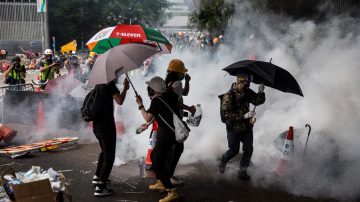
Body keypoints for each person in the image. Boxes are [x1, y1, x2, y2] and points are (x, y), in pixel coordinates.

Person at [135, 76, 179, 202]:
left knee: (157, 164)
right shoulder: (167, 97)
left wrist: (140, 104)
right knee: (155, 157)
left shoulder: (157, 100)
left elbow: (147, 117)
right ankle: (161, 182)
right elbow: (159, 115)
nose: (148, 89)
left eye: (149, 87)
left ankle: (172, 191)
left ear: (153, 89)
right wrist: (148, 125)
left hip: (165, 136)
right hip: (170, 134)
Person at [219, 74, 265, 181]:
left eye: (248, 84)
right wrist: (244, 116)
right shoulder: (228, 96)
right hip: (233, 128)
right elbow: (227, 116)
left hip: (247, 127)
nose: (247, 86)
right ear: (239, 83)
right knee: (234, 150)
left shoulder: (247, 92)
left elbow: (257, 101)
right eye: (245, 84)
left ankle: (242, 172)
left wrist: (261, 92)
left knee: (248, 150)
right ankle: (223, 160)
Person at [91, 71, 129, 197]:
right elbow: (120, 100)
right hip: (106, 125)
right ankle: (100, 187)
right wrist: (125, 89)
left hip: (97, 125)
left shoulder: (98, 84)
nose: (117, 75)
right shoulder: (109, 84)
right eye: (116, 73)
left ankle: (97, 176)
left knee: (104, 150)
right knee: (109, 156)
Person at [164, 59, 195, 185]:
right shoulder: (177, 84)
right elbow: (176, 104)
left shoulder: (167, 82)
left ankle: (166, 175)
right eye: (182, 73)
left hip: (167, 119)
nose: (184, 75)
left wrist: (187, 81)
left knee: (170, 149)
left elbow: (184, 94)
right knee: (177, 149)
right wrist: (189, 108)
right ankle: (168, 177)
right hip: (174, 121)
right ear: (178, 73)